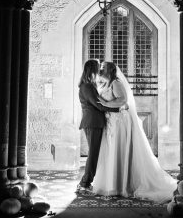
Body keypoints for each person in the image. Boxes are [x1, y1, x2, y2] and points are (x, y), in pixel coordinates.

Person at [92, 61, 177, 202]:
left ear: (110, 70)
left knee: (119, 149)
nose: (101, 70)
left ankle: (123, 185)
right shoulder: (106, 83)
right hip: (111, 120)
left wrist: (105, 103)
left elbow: (122, 100)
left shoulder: (116, 82)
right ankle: (113, 184)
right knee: (113, 151)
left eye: (103, 68)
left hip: (120, 121)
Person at [76, 59, 124, 194]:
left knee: (95, 154)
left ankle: (86, 182)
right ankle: (84, 184)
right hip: (93, 123)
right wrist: (118, 109)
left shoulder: (89, 85)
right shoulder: (87, 87)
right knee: (93, 154)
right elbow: (99, 106)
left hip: (95, 122)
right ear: (92, 70)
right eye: (97, 68)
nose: (99, 71)